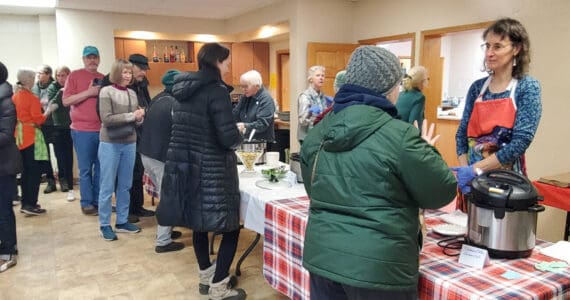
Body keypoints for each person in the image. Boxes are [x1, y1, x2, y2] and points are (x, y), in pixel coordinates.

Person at [300, 46, 457, 300]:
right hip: (381, 269)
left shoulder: (319, 131)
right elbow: (442, 191)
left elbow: (314, 188)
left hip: (324, 258)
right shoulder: (400, 135)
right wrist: (427, 151)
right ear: (391, 89)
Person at [160, 43, 246, 300]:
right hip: (213, 170)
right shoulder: (216, 90)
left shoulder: (183, 90)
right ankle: (220, 287)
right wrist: (238, 133)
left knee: (199, 223)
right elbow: (227, 138)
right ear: (217, 61)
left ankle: (206, 276)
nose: (229, 66)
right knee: (230, 228)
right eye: (227, 61)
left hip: (188, 167)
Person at [454, 18, 542, 196]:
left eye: (498, 46)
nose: (489, 53)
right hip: (473, 183)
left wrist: (475, 169)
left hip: (507, 186)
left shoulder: (526, 87)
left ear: (516, 49)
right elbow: (461, 134)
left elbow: (521, 142)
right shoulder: (477, 88)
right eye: (487, 46)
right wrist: (466, 171)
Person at [97, 59, 145, 241]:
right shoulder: (106, 91)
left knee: (125, 184)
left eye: (130, 73)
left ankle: (122, 221)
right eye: (124, 72)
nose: (128, 76)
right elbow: (107, 119)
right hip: (110, 143)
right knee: (107, 185)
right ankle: (104, 224)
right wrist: (132, 115)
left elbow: (135, 121)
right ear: (117, 73)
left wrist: (140, 118)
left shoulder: (133, 93)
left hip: (130, 142)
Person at [139, 69, 185, 253]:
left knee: (165, 194)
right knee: (169, 197)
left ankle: (165, 231)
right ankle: (163, 241)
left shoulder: (158, 98)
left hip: (147, 154)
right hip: (160, 156)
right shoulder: (174, 103)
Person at [62, 46, 104, 216]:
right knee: (85, 169)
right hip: (82, 131)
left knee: (101, 168)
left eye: (95, 57)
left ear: (99, 59)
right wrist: (89, 92)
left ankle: (97, 201)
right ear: (83, 59)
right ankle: (86, 203)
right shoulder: (74, 76)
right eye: (89, 57)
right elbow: (66, 101)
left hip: (102, 130)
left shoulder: (103, 78)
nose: (92, 60)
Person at [12, 68, 51, 216]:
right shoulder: (31, 98)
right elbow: (38, 119)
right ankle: (31, 203)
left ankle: (25, 202)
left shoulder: (15, 96)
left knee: (25, 171)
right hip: (31, 137)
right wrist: (47, 111)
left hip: (19, 137)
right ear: (29, 80)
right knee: (34, 172)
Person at [0, 62, 22, 272]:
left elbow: (6, 136)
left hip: (3, 163)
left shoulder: (6, 102)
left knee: (3, 209)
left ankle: (7, 252)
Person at [127, 53, 155, 222]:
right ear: (130, 66)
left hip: (141, 133)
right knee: (127, 174)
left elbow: (148, 104)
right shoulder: (120, 85)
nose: (143, 72)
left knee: (138, 172)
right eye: (141, 68)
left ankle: (138, 207)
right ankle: (128, 210)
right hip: (126, 135)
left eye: (145, 69)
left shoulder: (142, 84)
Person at [47, 66, 75, 201]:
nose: (61, 78)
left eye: (64, 75)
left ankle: (70, 183)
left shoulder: (73, 85)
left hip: (72, 126)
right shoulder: (53, 87)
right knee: (61, 156)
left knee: (70, 157)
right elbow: (51, 104)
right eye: (58, 75)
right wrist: (61, 92)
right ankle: (65, 182)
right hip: (57, 127)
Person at [32, 64, 57, 194]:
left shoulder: (55, 86)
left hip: (56, 124)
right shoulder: (34, 88)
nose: (38, 75)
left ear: (48, 74)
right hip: (41, 125)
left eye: (41, 73)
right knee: (45, 154)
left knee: (59, 152)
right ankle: (50, 180)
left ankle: (63, 179)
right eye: (37, 73)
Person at [233, 70, 275, 142]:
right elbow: (235, 114)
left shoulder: (266, 99)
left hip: (262, 142)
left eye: (246, 86)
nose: (243, 89)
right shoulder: (245, 98)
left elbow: (262, 124)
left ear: (257, 86)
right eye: (242, 86)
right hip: (246, 141)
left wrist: (245, 126)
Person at [297, 65, 330, 143]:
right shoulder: (305, 97)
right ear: (311, 79)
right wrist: (309, 112)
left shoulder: (322, 97)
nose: (321, 78)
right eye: (318, 75)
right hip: (307, 138)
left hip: (319, 136)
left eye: (323, 75)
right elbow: (302, 121)